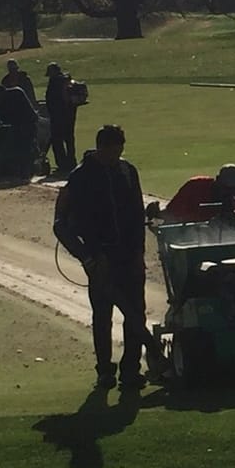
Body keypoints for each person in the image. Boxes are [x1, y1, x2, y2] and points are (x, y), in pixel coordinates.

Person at [53, 124, 148, 388]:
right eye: (111, 152)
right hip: (100, 259)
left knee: (135, 314)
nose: (115, 157)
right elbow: (67, 223)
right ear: (100, 147)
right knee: (103, 316)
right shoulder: (81, 177)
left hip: (128, 255)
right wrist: (90, 256)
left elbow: (137, 215)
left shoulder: (128, 172)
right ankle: (104, 370)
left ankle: (131, 369)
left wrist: (139, 253)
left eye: (119, 151)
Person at [0, 79, 39, 183]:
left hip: (24, 125)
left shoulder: (8, 97)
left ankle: (24, 173)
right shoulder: (17, 91)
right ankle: (24, 172)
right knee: (25, 148)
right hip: (26, 124)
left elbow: (2, 117)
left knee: (23, 149)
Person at [164, 164, 235, 223]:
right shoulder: (194, 187)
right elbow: (171, 214)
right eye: (226, 189)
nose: (229, 194)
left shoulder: (233, 205)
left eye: (234, 191)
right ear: (218, 180)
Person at [44, 61, 78, 176]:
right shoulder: (67, 80)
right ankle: (71, 162)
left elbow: (53, 100)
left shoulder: (55, 82)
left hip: (58, 115)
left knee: (57, 140)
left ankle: (62, 164)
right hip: (69, 115)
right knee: (69, 139)